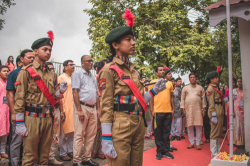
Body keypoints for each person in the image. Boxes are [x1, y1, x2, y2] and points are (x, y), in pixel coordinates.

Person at [97, 8, 166, 166]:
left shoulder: (133, 69)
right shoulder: (108, 70)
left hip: (137, 122)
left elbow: (139, 99)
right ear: (115, 45)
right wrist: (106, 137)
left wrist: (155, 90)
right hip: (120, 123)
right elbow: (106, 105)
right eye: (128, 39)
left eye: (133, 39)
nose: (133, 43)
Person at [13, 31, 67, 165]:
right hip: (32, 118)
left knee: (44, 157)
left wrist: (60, 91)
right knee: (30, 157)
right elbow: (19, 97)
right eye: (45, 49)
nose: (48, 52)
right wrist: (19, 122)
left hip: (48, 118)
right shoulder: (26, 71)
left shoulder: (52, 74)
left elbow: (53, 95)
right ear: (35, 51)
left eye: (50, 50)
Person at [6, 49, 35, 166]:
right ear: (21, 59)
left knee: (31, 139)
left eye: (33, 57)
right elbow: (10, 94)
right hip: (19, 111)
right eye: (29, 57)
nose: (32, 59)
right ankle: (14, 162)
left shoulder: (36, 73)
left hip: (32, 112)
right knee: (17, 140)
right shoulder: (14, 73)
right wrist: (13, 112)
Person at [71, 55, 99, 166]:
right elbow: (75, 92)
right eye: (89, 61)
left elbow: (97, 94)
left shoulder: (92, 77)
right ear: (82, 63)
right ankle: (76, 161)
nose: (91, 63)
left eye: (92, 61)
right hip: (82, 107)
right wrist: (79, 109)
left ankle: (86, 158)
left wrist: (98, 109)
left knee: (91, 135)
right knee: (79, 134)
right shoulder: (77, 74)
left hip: (93, 108)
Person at [149, 65, 174, 160]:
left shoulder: (169, 83)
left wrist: (173, 109)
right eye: (160, 70)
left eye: (163, 70)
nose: (163, 71)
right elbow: (150, 97)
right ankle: (159, 151)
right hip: (157, 111)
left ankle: (166, 151)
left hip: (168, 111)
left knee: (166, 132)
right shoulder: (152, 83)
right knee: (158, 132)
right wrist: (151, 109)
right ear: (156, 73)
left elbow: (171, 97)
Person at [181, 73, 206, 150]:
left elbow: (203, 99)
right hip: (189, 110)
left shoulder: (200, 88)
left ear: (196, 79)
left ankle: (198, 143)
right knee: (190, 126)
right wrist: (183, 108)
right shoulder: (185, 88)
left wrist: (204, 108)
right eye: (191, 77)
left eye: (194, 77)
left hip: (198, 109)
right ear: (189, 79)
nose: (192, 79)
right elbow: (182, 99)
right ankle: (191, 142)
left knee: (199, 126)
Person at [46, 62, 65, 166]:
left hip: (56, 109)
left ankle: (51, 157)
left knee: (53, 135)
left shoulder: (55, 81)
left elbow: (59, 98)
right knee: (44, 135)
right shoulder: (42, 80)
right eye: (49, 69)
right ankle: (42, 158)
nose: (52, 71)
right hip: (46, 109)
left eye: (53, 69)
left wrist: (61, 111)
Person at [57, 60, 75, 162]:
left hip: (73, 107)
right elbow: (59, 94)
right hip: (64, 106)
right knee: (63, 132)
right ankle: (62, 152)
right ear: (65, 67)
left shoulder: (73, 77)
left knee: (72, 130)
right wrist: (61, 110)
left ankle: (70, 150)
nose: (73, 66)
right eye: (70, 65)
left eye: (73, 64)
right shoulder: (61, 77)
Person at [206, 68, 224, 158]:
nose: (217, 79)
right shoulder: (210, 89)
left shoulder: (215, 87)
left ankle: (217, 151)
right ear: (211, 79)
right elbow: (211, 103)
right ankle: (214, 154)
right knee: (214, 133)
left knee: (218, 132)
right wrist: (213, 115)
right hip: (215, 111)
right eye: (216, 78)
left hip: (219, 110)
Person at [92, 60, 106, 160]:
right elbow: (99, 94)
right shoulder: (98, 78)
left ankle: (100, 151)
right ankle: (97, 152)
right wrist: (99, 108)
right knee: (99, 129)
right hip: (101, 106)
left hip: (105, 105)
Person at [0, 65, 10, 160]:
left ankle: (2, 151)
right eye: (4, 71)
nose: (6, 73)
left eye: (7, 71)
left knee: (4, 132)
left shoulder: (8, 82)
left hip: (6, 110)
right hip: (0, 110)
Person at [233, 77, 244, 147]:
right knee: (236, 124)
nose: (239, 83)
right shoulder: (234, 91)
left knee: (241, 125)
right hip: (236, 109)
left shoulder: (244, 91)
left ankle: (242, 141)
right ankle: (236, 141)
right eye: (238, 81)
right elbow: (231, 100)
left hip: (242, 109)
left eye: (240, 81)